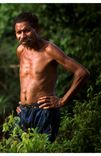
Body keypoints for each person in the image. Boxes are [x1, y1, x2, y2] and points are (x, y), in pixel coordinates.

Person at [14, 12, 90, 142]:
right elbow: (27, 80)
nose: (22, 36)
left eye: (26, 31)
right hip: (23, 112)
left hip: (44, 111)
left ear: (37, 29)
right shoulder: (20, 50)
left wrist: (62, 101)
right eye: (18, 32)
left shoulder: (49, 50)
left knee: (43, 150)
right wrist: (23, 104)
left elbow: (82, 72)